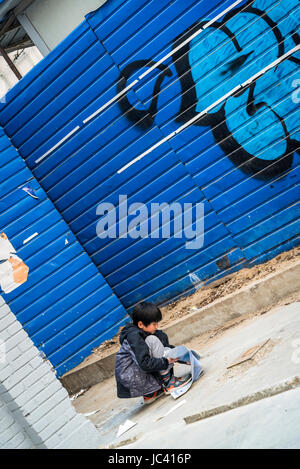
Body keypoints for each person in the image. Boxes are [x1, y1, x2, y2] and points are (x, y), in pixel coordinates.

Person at [115, 301, 192, 404]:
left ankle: (151, 393)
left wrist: (183, 357)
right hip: (133, 379)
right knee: (153, 340)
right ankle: (169, 382)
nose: (157, 326)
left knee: (158, 338)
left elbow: (164, 348)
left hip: (134, 378)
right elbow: (145, 363)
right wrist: (166, 361)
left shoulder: (144, 332)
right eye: (154, 324)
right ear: (141, 324)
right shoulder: (134, 337)